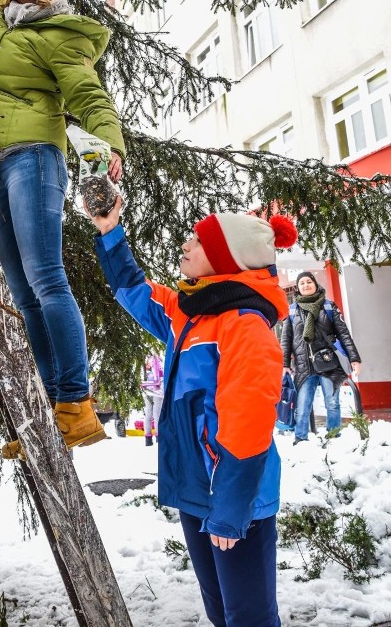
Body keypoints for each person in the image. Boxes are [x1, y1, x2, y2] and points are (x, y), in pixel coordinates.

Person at [0, 0, 126, 456]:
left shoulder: (58, 39)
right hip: (0, 166)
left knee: (46, 279)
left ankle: (77, 406)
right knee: (23, 292)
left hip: (35, 159)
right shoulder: (9, 24)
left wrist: (110, 149)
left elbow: (89, 96)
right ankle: (48, 411)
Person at [89, 198, 297, 627]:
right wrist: (110, 231)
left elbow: (250, 421)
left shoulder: (244, 324)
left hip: (236, 498)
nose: (185, 246)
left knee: (250, 617)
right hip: (197, 491)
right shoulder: (193, 314)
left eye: (199, 242)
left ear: (225, 259)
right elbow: (136, 292)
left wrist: (230, 507)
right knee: (221, 610)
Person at [280, 271, 362, 445]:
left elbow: (344, 334)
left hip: (328, 363)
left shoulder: (328, 306)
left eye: (309, 281)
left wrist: (354, 358)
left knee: (332, 403)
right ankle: (300, 439)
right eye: (302, 283)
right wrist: (284, 364)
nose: (306, 285)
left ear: (315, 284)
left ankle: (333, 437)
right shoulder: (293, 310)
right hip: (304, 366)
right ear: (298, 288)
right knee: (302, 407)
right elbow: (286, 339)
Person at [141, 352, 164, 445]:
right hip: (157, 391)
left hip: (146, 391)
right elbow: (161, 376)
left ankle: (148, 439)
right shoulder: (157, 359)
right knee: (157, 414)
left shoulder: (142, 361)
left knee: (148, 414)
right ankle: (159, 438)